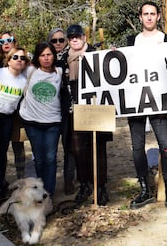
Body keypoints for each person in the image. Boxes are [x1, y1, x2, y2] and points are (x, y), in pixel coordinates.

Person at [128, 1, 167, 213]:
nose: (149, 17)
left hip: (160, 102)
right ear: (140, 17)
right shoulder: (131, 41)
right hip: (135, 102)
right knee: (136, 148)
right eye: (145, 14)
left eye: (152, 14)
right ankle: (144, 190)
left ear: (158, 16)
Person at [66, 24, 112, 206]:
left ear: (84, 37)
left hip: (97, 107)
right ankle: (84, 185)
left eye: (77, 36)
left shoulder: (96, 54)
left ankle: (101, 187)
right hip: (76, 109)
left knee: (99, 149)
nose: (74, 39)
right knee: (79, 150)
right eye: (71, 37)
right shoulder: (64, 58)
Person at [0, 47, 30, 211]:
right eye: (15, 57)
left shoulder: (25, 79)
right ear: (8, 59)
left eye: (22, 58)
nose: (19, 60)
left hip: (6, 119)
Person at [19, 42, 62, 197]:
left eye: (49, 54)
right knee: (39, 159)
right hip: (32, 122)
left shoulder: (60, 72)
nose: (46, 58)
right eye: (42, 55)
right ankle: (39, 190)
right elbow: (10, 61)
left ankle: (48, 192)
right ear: (37, 57)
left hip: (53, 123)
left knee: (50, 158)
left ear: (54, 55)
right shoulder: (30, 71)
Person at [0, 31, 26, 181]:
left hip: (18, 114)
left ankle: (20, 180)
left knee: (18, 147)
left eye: (9, 40)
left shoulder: (23, 59)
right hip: (0, 114)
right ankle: (0, 181)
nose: (6, 43)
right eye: (2, 42)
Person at [48, 27, 76, 195]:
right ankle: (47, 184)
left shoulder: (70, 57)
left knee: (69, 147)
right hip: (49, 111)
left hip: (67, 109)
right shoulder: (45, 58)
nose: (58, 43)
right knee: (49, 152)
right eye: (54, 40)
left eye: (61, 40)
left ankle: (68, 180)